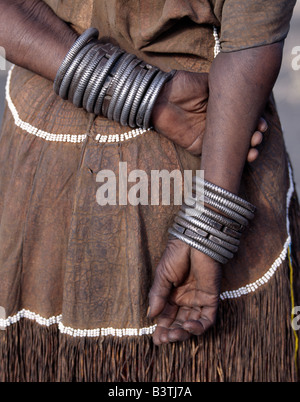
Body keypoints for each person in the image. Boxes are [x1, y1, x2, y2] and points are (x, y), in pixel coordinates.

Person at [0, 0, 299, 382]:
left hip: (44, 167)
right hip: (214, 143)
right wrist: (209, 225)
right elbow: (249, 41)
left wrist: (139, 93)